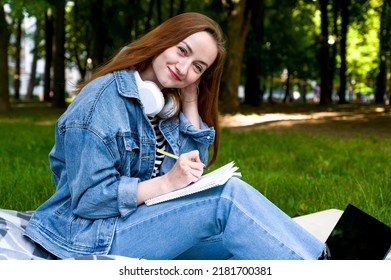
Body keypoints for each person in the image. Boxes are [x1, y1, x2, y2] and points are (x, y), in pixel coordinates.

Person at [24, 12, 329, 260]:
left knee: (248, 240)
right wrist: (167, 183)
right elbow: (89, 200)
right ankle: (326, 267)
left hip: (138, 223)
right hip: (92, 238)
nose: (184, 69)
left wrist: (191, 97)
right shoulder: (98, 104)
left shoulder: (163, 100)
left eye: (198, 67)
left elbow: (196, 166)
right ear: (162, 40)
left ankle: (322, 256)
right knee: (227, 198)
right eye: (182, 51)